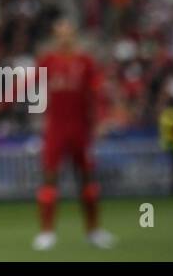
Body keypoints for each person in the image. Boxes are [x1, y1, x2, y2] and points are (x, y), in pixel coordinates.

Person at [32, 16, 114, 250]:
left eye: (67, 33)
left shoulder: (86, 61)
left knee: (87, 181)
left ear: (73, 35)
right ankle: (46, 233)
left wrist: (101, 120)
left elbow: (97, 93)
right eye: (59, 33)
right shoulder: (48, 60)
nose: (63, 37)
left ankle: (94, 231)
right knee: (49, 179)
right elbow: (27, 83)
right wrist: (0, 103)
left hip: (80, 129)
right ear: (55, 36)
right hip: (55, 129)